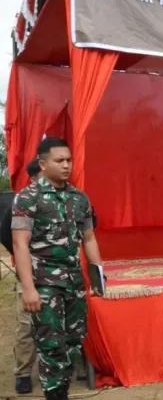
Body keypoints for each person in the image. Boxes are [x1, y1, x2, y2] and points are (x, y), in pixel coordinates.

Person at [11, 138, 105, 400]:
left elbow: (89, 239)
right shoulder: (28, 198)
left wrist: (98, 278)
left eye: (69, 160)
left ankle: (61, 392)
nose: (66, 165)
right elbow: (20, 244)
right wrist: (29, 290)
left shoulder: (79, 198)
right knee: (51, 347)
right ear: (43, 164)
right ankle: (55, 395)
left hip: (74, 283)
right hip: (44, 285)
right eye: (59, 161)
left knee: (73, 343)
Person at [7, 160, 41, 395]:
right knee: (26, 327)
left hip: (58, 275)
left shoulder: (69, 200)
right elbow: (12, 239)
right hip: (30, 274)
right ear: (33, 177)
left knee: (60, 326)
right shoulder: (23, 202)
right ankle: (23, 373)